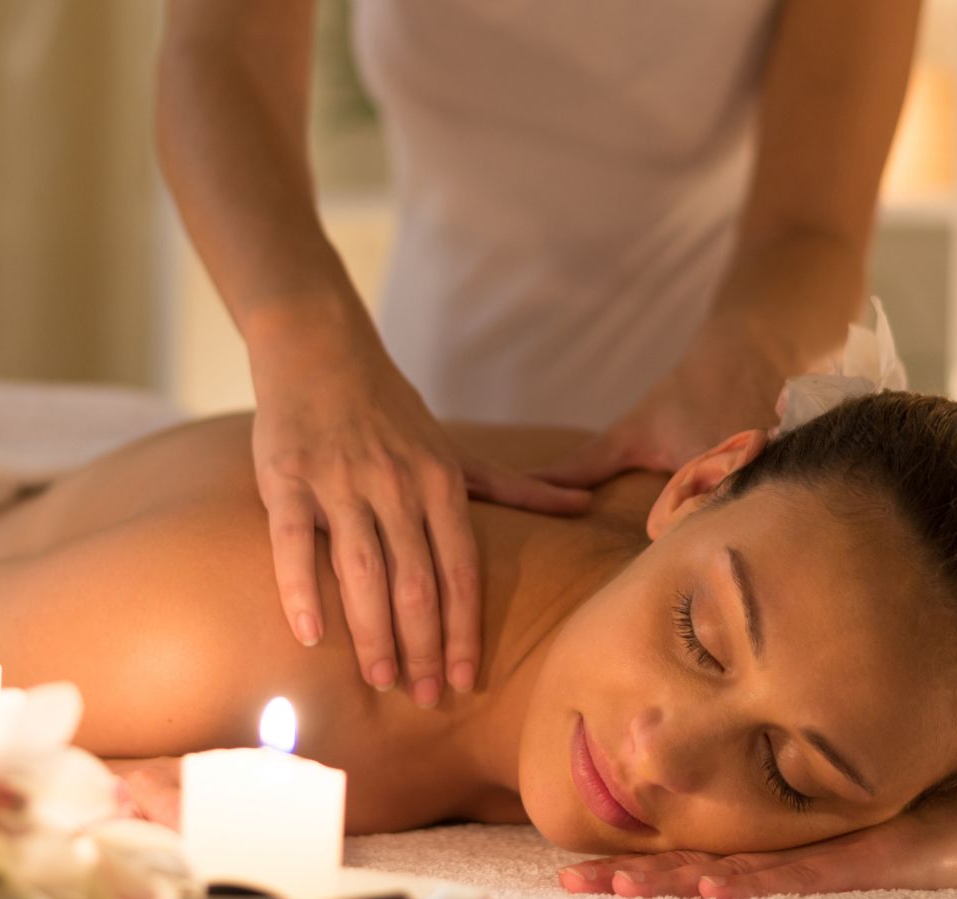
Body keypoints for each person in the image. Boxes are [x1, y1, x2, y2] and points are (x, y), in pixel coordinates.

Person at [155, 1, 922, 706]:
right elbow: (219, 54)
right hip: (397, 414)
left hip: (694, 447)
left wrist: (751, 358)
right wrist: (306, 345)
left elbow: (812, 226)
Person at [0, 388, 955, 899]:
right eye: (698, 637)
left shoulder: (802, 574)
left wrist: (923, 846)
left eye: (786, 773)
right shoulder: (225, 631)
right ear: (693, 485)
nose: (658, 755)